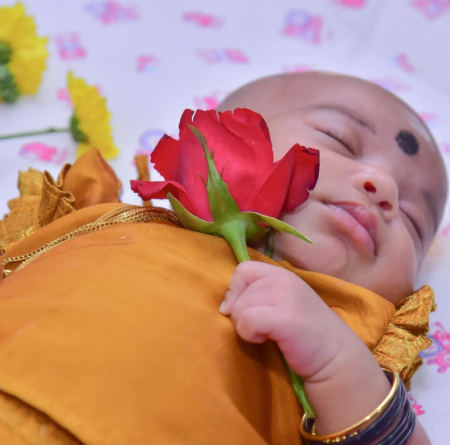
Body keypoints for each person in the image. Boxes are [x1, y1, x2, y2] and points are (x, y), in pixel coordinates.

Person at [0, 72, 446, 444]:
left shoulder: (348, 351)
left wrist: (338, 362)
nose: (385, 188)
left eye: (413, 219)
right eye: (339, 140)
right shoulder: (108, 215)